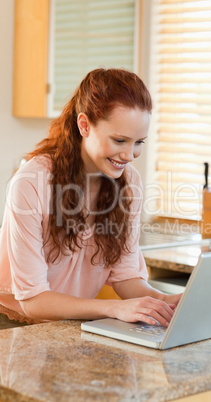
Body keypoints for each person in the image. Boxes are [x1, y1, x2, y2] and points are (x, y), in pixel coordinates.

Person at [0, 68, 181, 329]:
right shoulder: (32, 183)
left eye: (139, 142)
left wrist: (164, 302)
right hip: (11, 325)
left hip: (72, 323)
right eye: (120, 140)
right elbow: (33, 300)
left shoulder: (129, 183)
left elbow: (126, 276)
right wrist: (115, 309)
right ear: (84, 125)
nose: (129, 155)